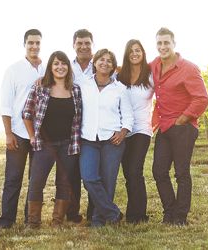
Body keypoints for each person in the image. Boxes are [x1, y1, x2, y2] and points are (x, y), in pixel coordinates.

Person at [150, 27, 208, 226]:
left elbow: (202, 99)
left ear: (174, 44)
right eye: (159, 43)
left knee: (181, 173)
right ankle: (169, 211)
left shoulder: (189, 68)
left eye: (166, 43)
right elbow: (133, 70)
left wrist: (183, 119)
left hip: (183, 127)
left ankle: (180, 217)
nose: (163, 46)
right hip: (165, 127)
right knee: (158, 171)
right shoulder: (155, 66)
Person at [22, 51, 82, 228]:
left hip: (68, 144)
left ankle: (57, 221)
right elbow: (27, 113)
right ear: (50, 67)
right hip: (44, 144)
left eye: (63, 63)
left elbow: (78, 118)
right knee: (36, 182)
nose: (60, 67)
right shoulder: (40, 87)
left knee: (64, 183)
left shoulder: (75, 89)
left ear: (68, 67)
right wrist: (32, 136)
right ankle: (33, 222)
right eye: (56, 64)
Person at [78, 48, 133, 227]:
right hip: (88, 139)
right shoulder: (83, 84)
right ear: (94, 62)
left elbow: (128, 115)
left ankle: (98, 219)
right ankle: (113, 212)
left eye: (109, 61)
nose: (105, 63)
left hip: (112, 140)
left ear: (113, 66)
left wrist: (123, 132)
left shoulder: (120, 88)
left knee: (108, 180)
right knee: (89, 177)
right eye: (101, 59)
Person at [0, 29, 45, 229]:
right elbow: (5, 104)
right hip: (18, 132)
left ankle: (31, 218)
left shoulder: (46, 69)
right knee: (13, 178)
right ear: (24, 44)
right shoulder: (13, 70)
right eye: (30, 43)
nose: (34, 46)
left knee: (36, 179)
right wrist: (8, 133)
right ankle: (7, 219)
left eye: (37, 43)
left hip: (41, 134)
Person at [117, 39, 154, 224]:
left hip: (142, 128)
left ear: (143, 52)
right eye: (131, 50)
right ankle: (134, 213)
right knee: (128, 173)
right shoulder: (119, 74)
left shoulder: (151, 74)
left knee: (134, 170)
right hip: (123, 129)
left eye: (138, 50)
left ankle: (138, 215)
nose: (134, 53)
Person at [69, 28, 95, 222]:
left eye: (87, 43)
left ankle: (94, 211)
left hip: (95, 127)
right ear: (74, 45)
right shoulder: (67, 67)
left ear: (92, 45)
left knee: (93, 172)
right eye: (80, 43)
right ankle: (72, 212)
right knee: (72, 172)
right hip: (71, 127)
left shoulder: (103, 64)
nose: (83, 46)